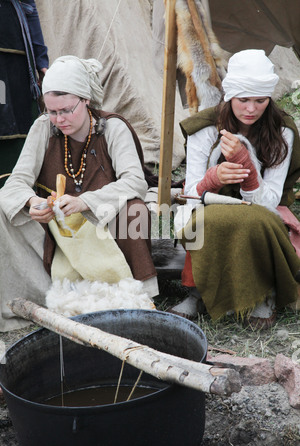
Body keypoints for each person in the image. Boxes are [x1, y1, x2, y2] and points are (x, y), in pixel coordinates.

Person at [0, 55, 158, 331]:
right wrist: (34, 202)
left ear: (85, 100)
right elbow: (15, 183)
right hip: (58, 232)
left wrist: (85, 201)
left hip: (102, 222)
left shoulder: (113, 129)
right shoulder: (44, 128)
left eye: (66, 110)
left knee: (135, 209)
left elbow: (135, 181)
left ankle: (135, 294)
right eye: (52, 111)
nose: (58, 119)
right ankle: (31, 295)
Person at [173, 49, 300, 329]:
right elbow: (192, 193)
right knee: (208, 221)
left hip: (262, 209)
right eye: (243, 100)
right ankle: (198, 293)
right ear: (230, 96)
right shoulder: (205, 128)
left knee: (255, 222)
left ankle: (260, 295)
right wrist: (213, 178)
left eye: (260, 100)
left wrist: (249, 174)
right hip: (209, 205)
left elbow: (271, 199)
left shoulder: (282, 132)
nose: (251, 109)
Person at [0, 0, 49, 188]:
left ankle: (21, 193)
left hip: (15, 57)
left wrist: (40, 58)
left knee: (20, 123)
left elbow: (29, 7)